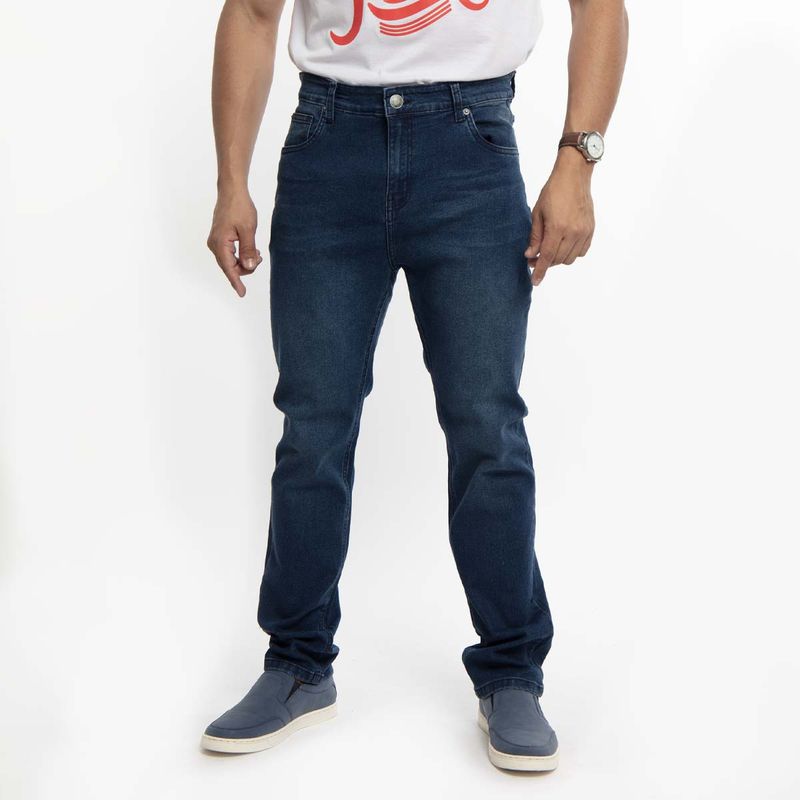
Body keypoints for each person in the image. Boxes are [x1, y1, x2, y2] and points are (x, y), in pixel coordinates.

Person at [202, 0, 627, 772]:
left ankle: (511, 672)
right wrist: (231, 181)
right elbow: (255, 13)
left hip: (471, 143)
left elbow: (598, 7)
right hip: (329, 143)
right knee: (313, 427)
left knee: (486, 424)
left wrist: (577, 160)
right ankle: (296, 664)